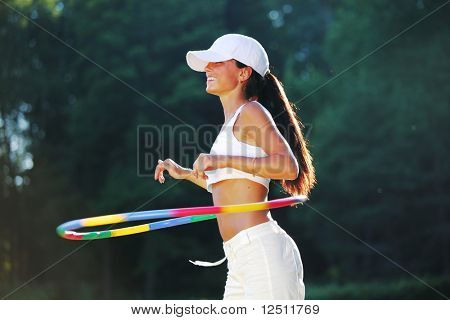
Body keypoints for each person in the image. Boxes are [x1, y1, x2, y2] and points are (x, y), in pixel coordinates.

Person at [154, 34, 316, 299]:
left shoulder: (251, 112)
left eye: (218, 62)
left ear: (243, 73)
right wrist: (185, 174)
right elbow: (231, 189)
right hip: (238, 257)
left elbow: (288, 166)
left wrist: (221, 160)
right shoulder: (229, 127)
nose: (208, 67)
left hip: (261, 251)